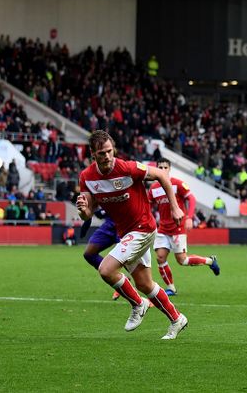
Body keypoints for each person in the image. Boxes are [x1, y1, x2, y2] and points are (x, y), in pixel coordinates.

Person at [76, 130, 188, 340]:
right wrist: (83, 210)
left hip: (143, 228)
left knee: (106, 269)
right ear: (93, 154)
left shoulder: (128, 167)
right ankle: (177, 319)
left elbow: (162, 175)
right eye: (102, 153)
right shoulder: (87, 178)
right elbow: (87, 214)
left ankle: (138, 304)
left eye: (110, 151)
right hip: (126, 232)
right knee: (145, 284)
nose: (107, 156)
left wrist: (174, 207)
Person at [148, 157, 220, 296]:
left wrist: (189, 217)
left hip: (177, 227)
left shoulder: (177, 184)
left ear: (169, 169)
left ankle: (210, 261)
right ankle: (171, 288)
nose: (162, 170)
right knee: (160, 258)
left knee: (182, 260)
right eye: (160, 168)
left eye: (165, 167)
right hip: (163, 228)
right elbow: (148, 205)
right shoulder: (154, 188)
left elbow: (191, 198)